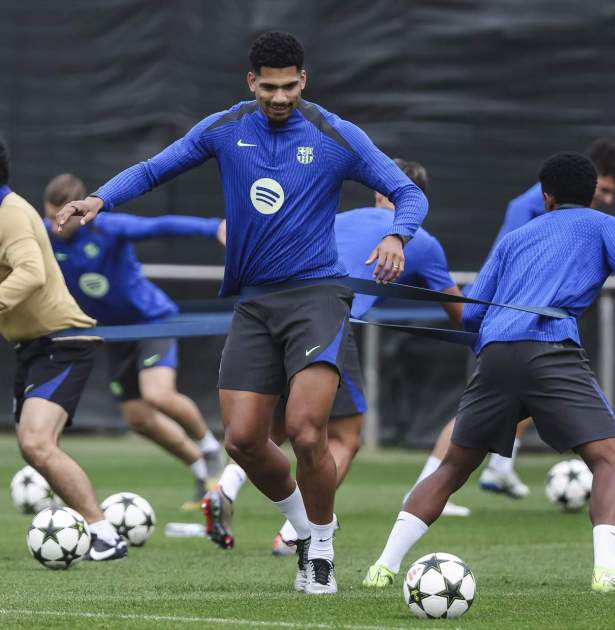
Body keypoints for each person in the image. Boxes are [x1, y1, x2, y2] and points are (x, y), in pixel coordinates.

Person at [55, 32, 428, 594]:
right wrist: (99, 199)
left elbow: (408, 192)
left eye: (290, 86)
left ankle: (321, 548)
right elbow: (154, 169)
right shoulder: (225, 128)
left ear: (304, 80)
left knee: (306, 431)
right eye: (268, 87)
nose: (279, 97)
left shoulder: (334, 134)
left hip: (317, 296)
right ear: (251, 82)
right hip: (254, 303)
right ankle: (304, 530)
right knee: (243, 441)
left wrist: (399, 234)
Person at [363, 152, 615, 592]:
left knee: (453, 467)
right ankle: (606, 570)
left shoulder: (515, 238)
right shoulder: (606, 226)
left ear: (546, 197)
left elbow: (471, 314)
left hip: (495, 355)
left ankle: (382, 567)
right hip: (550, 350)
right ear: (592, 195)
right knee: (609, 459)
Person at [206, 159, 464, 557]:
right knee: (344, 437)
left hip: (271, 319)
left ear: (378, 192)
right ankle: (297, 533)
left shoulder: (337, 219)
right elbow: (461, 314)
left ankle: (226, 487)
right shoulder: (422, 241)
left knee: (269, 430)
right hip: (324, 326)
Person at [44, 174, 225, 510]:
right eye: (53, 214)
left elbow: (161, 226)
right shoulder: (43, 236)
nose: (60, 223)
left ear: (81, 209)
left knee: (158, 394)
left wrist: (213, 227)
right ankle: (202, 471)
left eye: (67, 214)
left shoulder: (108, 228)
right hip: (114, 334)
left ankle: (211, 448)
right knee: (138, 419)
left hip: (152, 322)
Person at [472, 138, 615, 498]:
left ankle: (497, 468)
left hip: (506, 328)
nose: (608, 199)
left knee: (503, 404)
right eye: (604, 190)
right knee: (608, 452)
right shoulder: (542, 211)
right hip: (515, 321)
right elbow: (502, 263)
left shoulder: (583, 217)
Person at [0, 138, 126, 561]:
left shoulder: (11, 214)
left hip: (62, 341)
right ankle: (98, 528)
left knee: (36, 443)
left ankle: (104, 534)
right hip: (33, 345)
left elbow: (31, 273)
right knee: (34, 447)